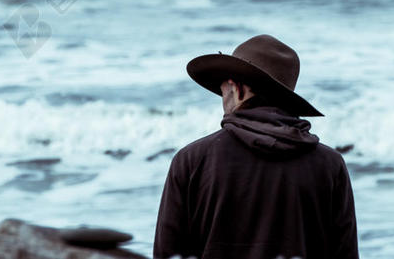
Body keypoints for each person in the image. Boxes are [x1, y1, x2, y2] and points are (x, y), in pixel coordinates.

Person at [153, 34, 359, 259]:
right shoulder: (329, 165)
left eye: (224, 88)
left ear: (238, 89)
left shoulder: (192, 160)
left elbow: (167, 253)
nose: (223, 96)